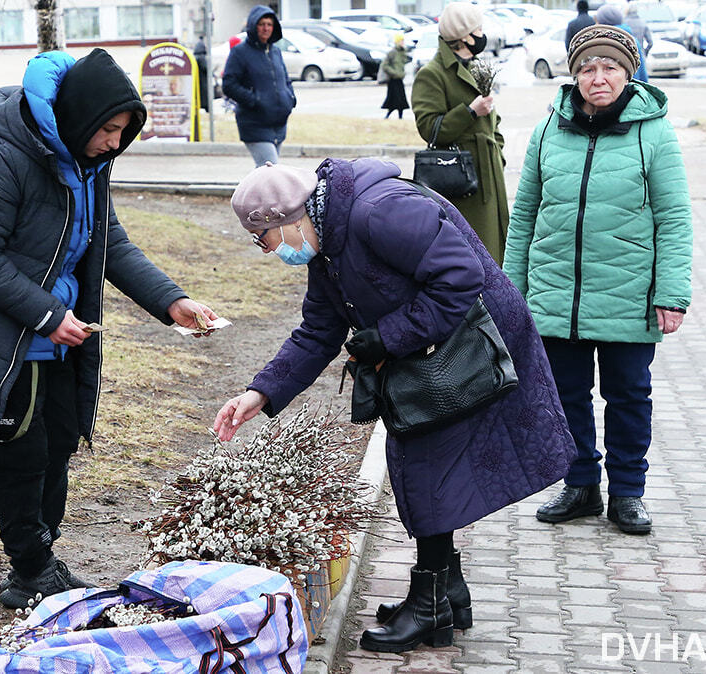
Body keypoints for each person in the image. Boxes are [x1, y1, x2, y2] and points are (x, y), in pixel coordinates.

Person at [0, 48, 219, 609]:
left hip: (63, 332)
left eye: (122, 132)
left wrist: (172, 302)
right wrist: (45, 315)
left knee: (60, 440)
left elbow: (109, 242)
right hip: (5, 333)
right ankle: (30, 566)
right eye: (107, 130)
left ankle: (43, 556)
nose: (114, 143)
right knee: (23, 448)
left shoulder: (90, 166)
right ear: (78, 116)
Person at [213, 161, 574, 653]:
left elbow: (460, 275)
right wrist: (261, 392)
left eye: (265, 238)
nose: (269, 250)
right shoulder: (326, 245)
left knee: (423, 468)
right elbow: (319, 331)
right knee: (420, 464)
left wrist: (387, 336)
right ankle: (447, 591)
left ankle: (430, 608)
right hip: (432, 347)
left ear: (291, 218)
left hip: (475, 342)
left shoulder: (379, 213)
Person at [504, 25, 692, 536]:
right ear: (575, 75)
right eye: (588, 68)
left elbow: (674, 218)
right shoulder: (549, 128)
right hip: (555, 293)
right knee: (565, 395)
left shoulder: (653, 131)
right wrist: (512, 289)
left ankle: (628, 492)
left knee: (629, 396)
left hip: (629, 295)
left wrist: (671, 293)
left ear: (627, 73)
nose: (598, 77)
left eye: (609, 67)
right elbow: (524, 215)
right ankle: (580, 483)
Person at [411, 1, 510, 265]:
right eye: (478, 29)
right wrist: (469, 112)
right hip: (462, 181)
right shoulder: (432, 74)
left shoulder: (476, 66)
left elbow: (493, 121)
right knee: (472, 253)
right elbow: (429, 128)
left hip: (489, 173)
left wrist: (497, 152)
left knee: (497, 249)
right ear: (464, 35)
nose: (482, 34)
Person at [222, 5, 297, 167]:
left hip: (278, 124)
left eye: (269, 24)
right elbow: (229, 84)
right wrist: (254, 100)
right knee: (271, 171)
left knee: (266, 173)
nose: (266, 28)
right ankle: (250, 193)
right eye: (261, 24)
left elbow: (285, 79)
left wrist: (290, 98)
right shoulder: (240, 52)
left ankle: (252, 193)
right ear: (253, 25)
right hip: (254, 124)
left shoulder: (275, 51)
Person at [596, 4, 649, 82]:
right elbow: (642, 73)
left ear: (601, 22)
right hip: (634, 89)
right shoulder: (633, 40)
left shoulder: (602, 41)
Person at [380, 34, 410, 119]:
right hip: (392, 79)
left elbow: (404, 63)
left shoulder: (403, 52)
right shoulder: (392, 52)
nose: (402, 43)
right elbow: (385, 65)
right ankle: (387, 115)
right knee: (393, 99)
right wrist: (394, 73)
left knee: (401, 99)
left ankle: (400, 116)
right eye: (401, 41)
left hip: (400, 79)